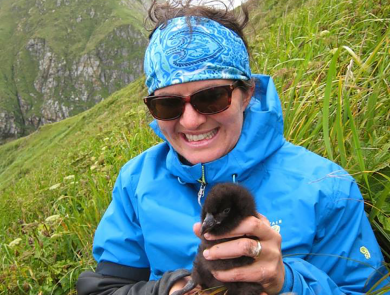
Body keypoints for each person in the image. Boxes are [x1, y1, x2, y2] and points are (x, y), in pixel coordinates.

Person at [76, 0, 388, 294]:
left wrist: (287, 281)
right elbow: (105, 288)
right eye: (168, 104)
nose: (191, 121)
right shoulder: (135, 182)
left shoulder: (327, 188)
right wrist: (167, 289)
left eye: (211, 97)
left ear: (247, 92)